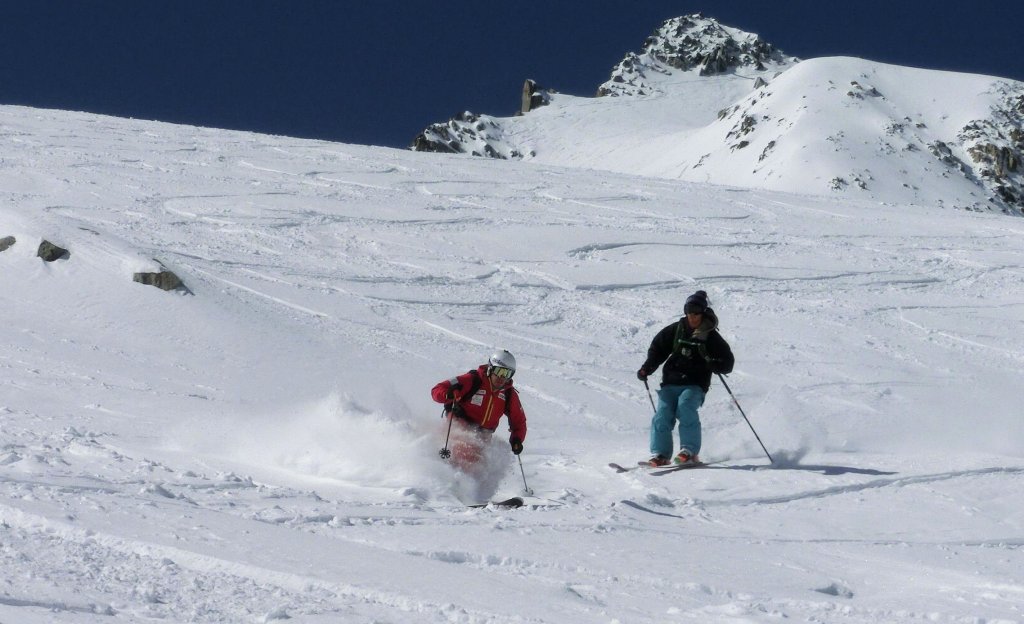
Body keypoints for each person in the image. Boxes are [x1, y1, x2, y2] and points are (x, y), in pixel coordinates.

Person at [636, 291, 734, 466]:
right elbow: (658, 349)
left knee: (686, 406)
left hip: (695, 383)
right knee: (662, 414)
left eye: (696, 312)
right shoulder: (676, 330)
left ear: (703, 312)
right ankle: (660, 454)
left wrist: (717, 365)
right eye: (689, 311)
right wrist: (647, 368)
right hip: (671, 381)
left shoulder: (710, 335)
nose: (692, 316)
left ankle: (689, 451)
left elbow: (728, 361)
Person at [431, 350, 527, 472]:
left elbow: (519, 421)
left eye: (507, 374)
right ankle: (444, 474)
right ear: (491, 368)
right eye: (499, 371)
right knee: (465, 454)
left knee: (480, 467)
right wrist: (447, 394)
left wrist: (517, 439)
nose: (502, 377)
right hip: (459, 425)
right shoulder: (472, 380)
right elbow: (438, 389)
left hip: (484, 435)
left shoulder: (508, 394)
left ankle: (468, 483)